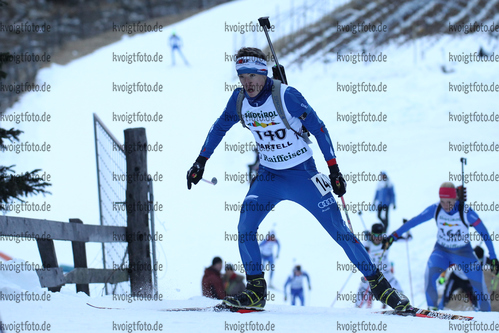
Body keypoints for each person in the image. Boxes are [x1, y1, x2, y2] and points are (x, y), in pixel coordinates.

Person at [187, 47, 410, 311]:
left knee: (339, 231)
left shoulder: (286, 95)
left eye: (252, 75)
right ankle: (256, 290)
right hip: (269, 176)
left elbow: (318, 127)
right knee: (245, 224)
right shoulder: (239, 101)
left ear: (264, 72)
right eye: (241, 76)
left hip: (303, 175)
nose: (247, 82)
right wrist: (201, 161)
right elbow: (219, 127)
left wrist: (334, 170)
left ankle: (381, 287)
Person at [383, 182, 499, 311]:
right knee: (429, 274)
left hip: (463, 252)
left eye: (449, 201)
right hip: (442, 251)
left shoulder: (466, 212)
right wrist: (393, 235)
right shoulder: (436, 208)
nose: (445, 205)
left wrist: (493, 257)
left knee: (479, 283)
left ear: (455, 198)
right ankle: (432, 310)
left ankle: (486, 315)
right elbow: (414, 221)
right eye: (442, 201)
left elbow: (484, 233)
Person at [355, 223, 403, 308]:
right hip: (372, 275)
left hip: (386, 274)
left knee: (399, 290)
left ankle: (399, 307)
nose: (377, 238)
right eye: (375, 235)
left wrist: (407, 234)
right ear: (371, 234)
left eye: (380, 236)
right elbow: (360, 250)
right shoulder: (368, 243)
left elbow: (402, 238)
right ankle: (356, 309)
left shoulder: (386, 242)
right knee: (362, 293)